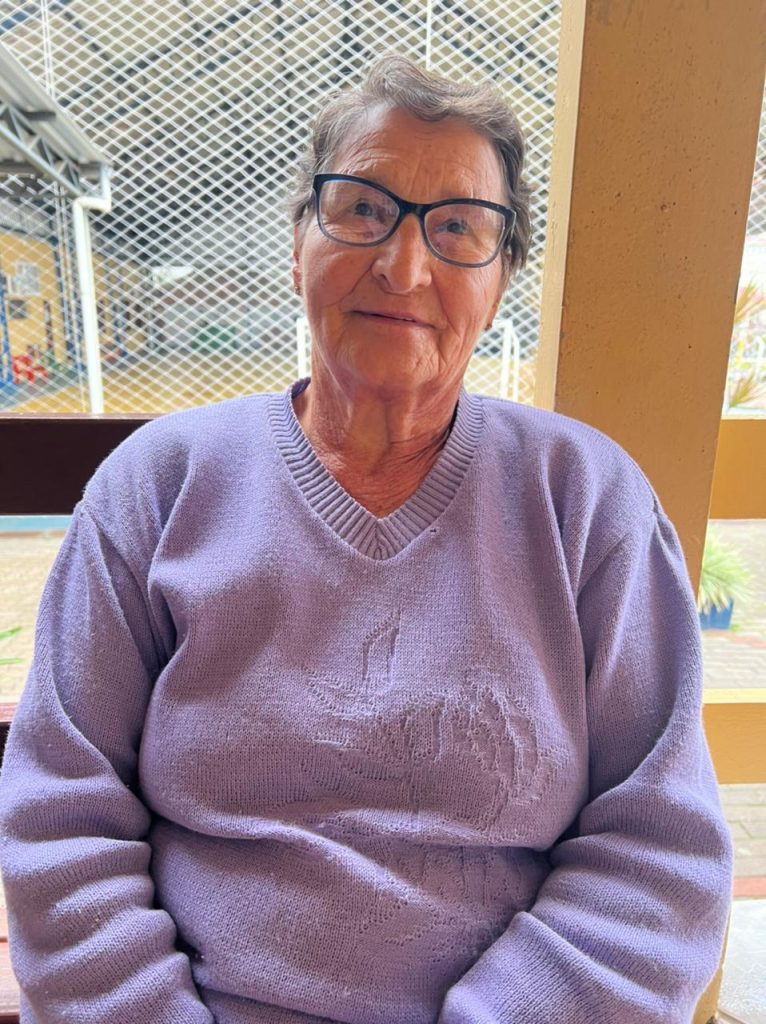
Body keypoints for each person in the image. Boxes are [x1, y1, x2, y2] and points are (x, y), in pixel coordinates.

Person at [0, 55, 732, 1024]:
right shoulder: (158, 486)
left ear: (500, 281)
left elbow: (660, 854)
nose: (404, 266)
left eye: (458, 227)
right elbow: (60, 811)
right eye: (362, 210)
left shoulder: (585, 503)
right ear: (297, 243)